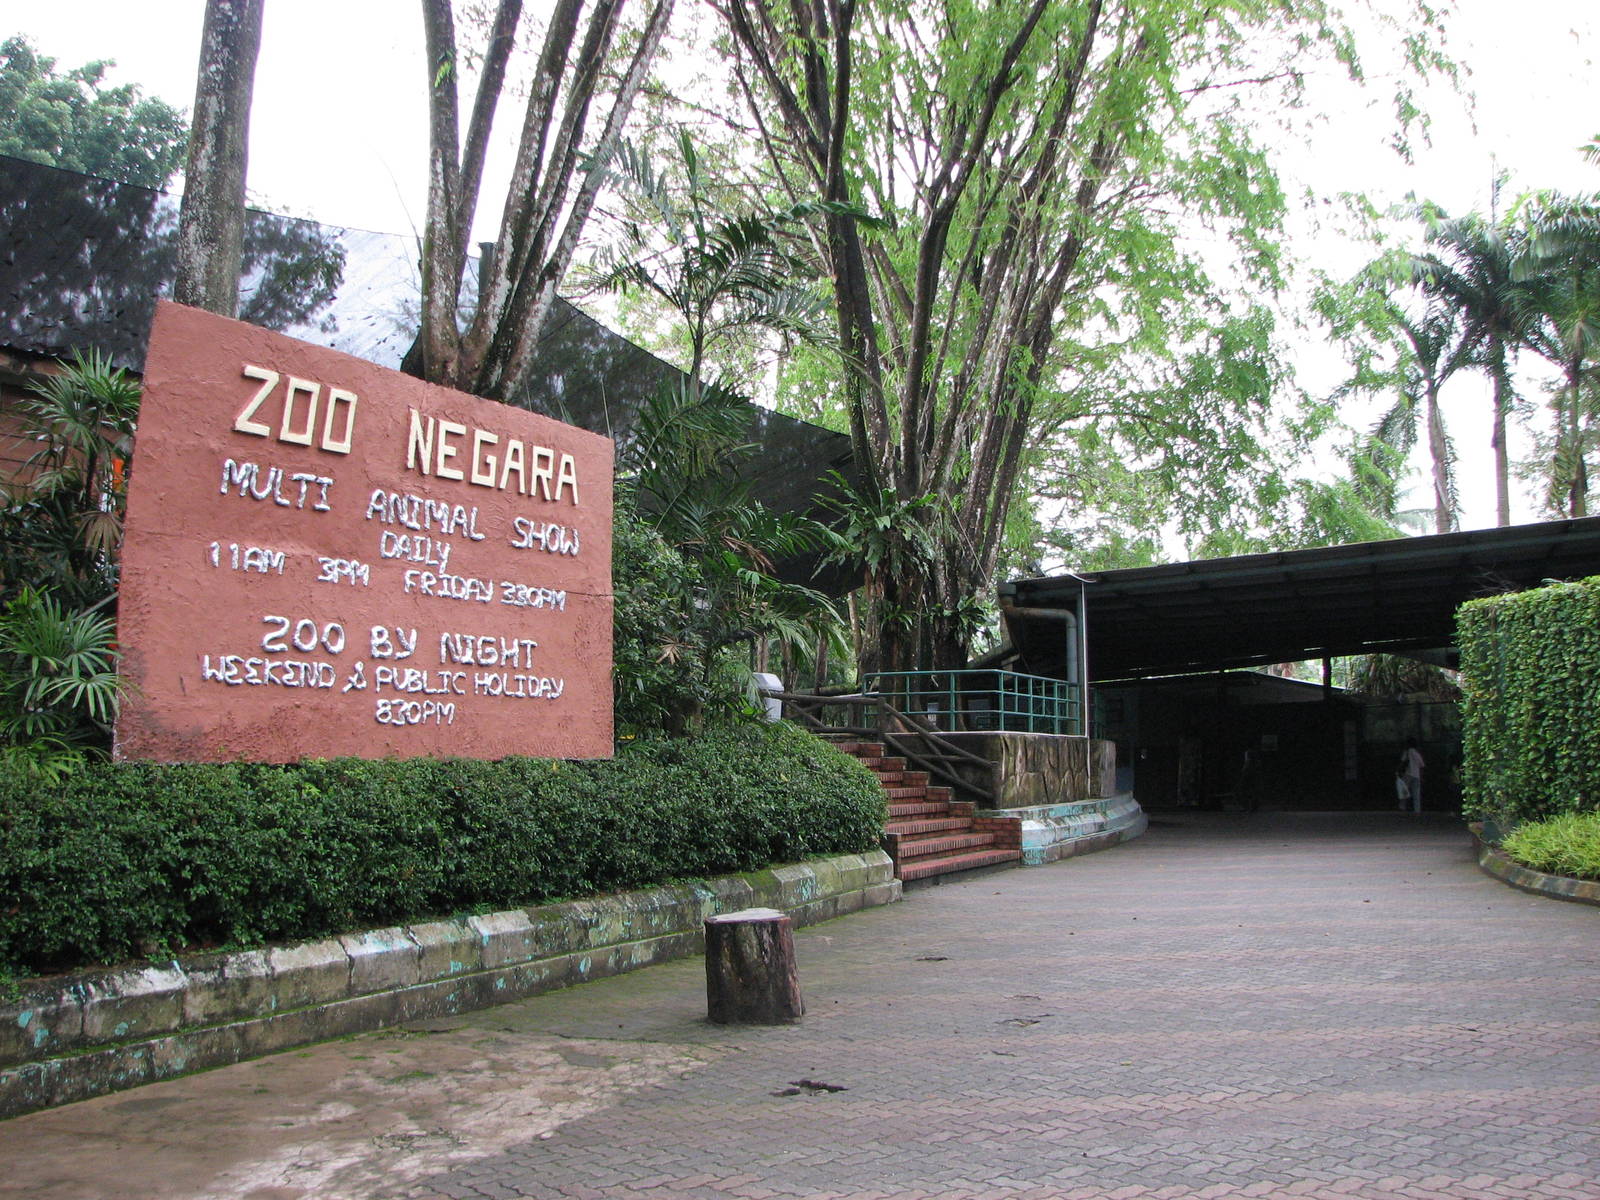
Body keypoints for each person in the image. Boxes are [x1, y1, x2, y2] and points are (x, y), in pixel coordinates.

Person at [1399, 738, 1424, 813]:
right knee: (1416, 794)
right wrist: (1421, 776)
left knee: (1403, 790)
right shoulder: (1417, 753)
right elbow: (1422, 765)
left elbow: (1403, 762)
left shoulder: (1407, 752)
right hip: (1416, 775)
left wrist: (1398, 770)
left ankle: (1402, 806)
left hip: (1408, 774)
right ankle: (1417, 810)